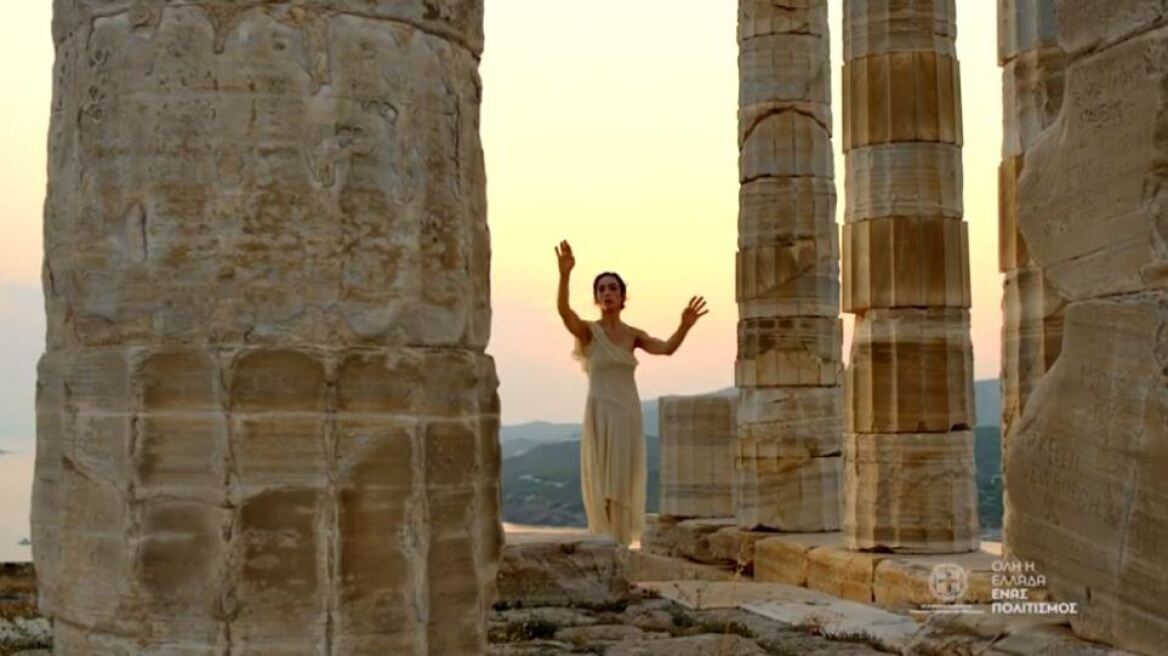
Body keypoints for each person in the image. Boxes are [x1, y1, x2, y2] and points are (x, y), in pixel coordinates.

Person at [554, 239, 708, 546]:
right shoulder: (589, 331)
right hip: (600, 413)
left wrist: (685, 326)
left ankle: (620, 547)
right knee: (601, 484)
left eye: (612, 288)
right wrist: (565, 274)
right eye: (601, 289)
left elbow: (666, 349)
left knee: (621, 483)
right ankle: (604, 545)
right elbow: (564, 311)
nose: (607, 292)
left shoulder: (632, 335)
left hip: (626, 414)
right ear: (597, 298)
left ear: (623, 296)